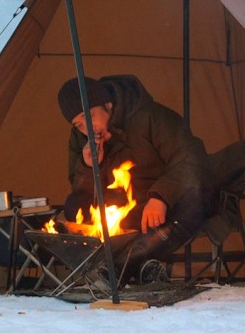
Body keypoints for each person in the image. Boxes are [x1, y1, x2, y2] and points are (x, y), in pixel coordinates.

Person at [58, 74, 216, 279]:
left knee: (196, 197)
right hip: (128, 211)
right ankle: (142, 268)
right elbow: (83, 193)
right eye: (79, 124)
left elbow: (191, 160)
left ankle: (119, 267)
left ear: (108, 104)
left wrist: (161, 196)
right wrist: (90, 166)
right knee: (75, 204)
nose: (87, 128)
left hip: (166, 204)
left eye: (89, 117)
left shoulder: (152, 117)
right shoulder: (81, 139)